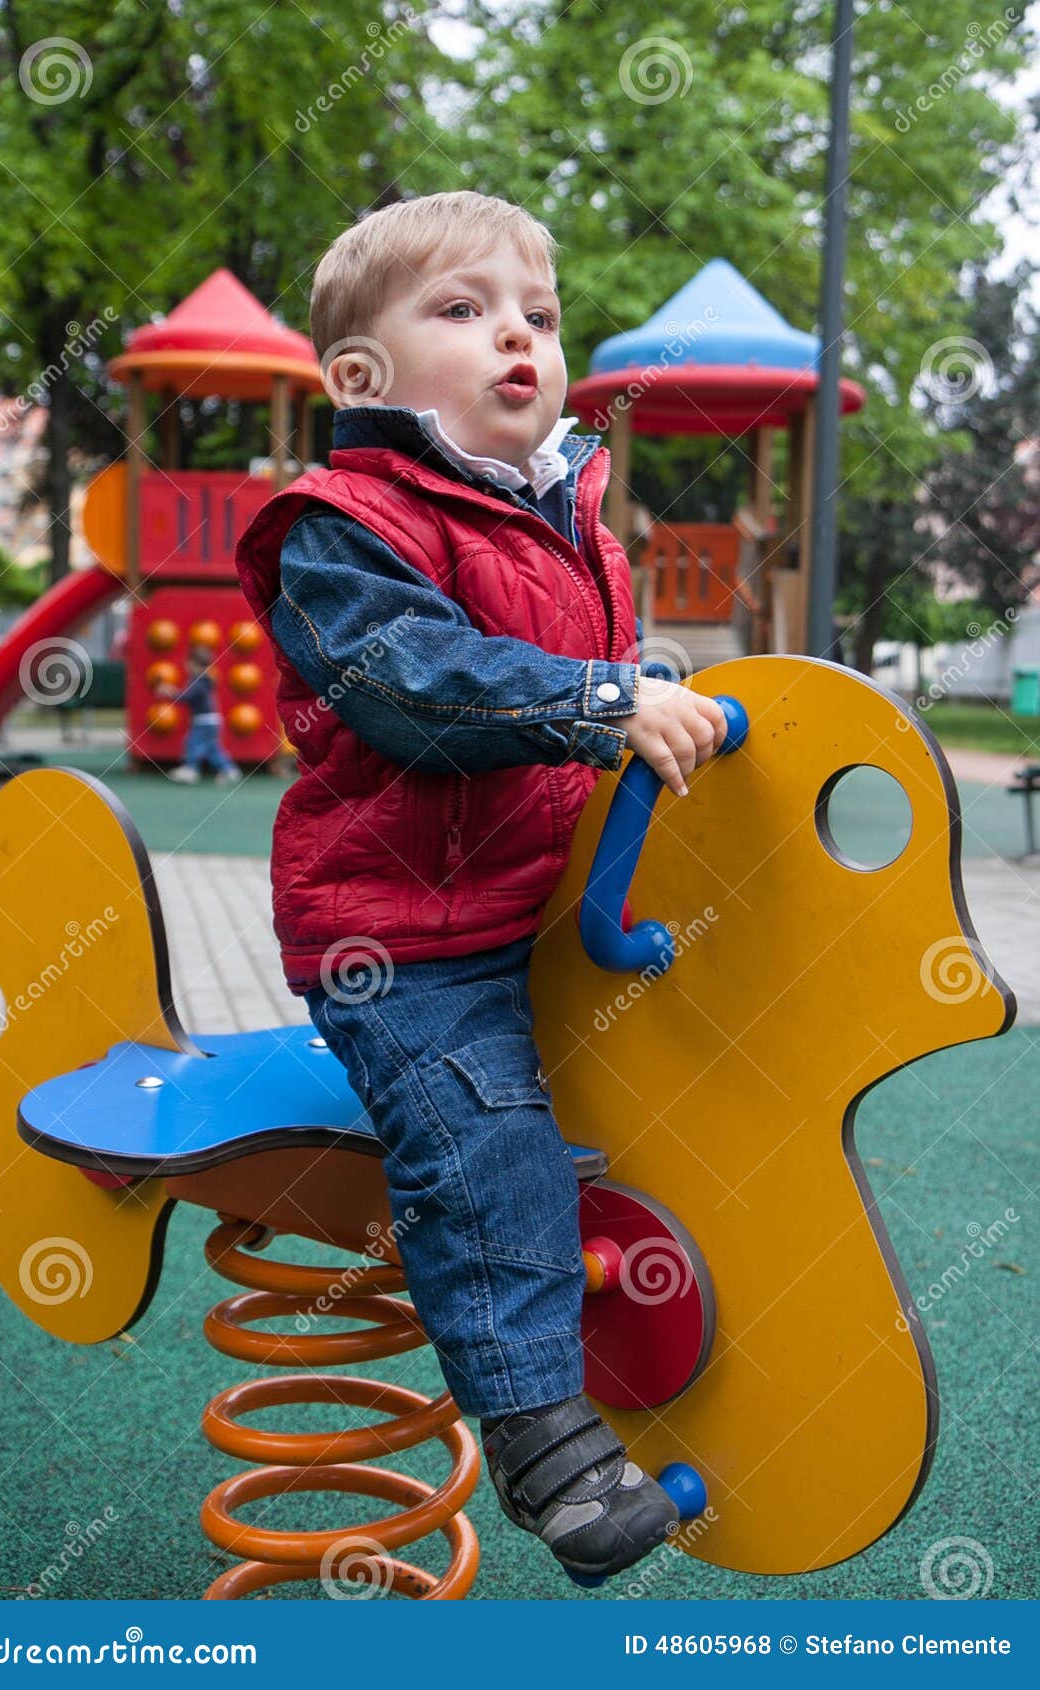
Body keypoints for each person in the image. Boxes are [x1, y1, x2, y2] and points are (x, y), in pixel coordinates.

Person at [234, 191, 726, 1583]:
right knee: (488, 1144)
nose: (515, 334)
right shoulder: (342, 525)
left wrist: (647, 688)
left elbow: (599, 678)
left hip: (538, 909)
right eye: (462, 311)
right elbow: (408, 684)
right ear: (357, 378)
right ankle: (539, 1441)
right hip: (403, 938)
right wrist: (594, 698)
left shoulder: (574, 521)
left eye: (537, 315)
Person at [154, 644, 240, 785]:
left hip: (204, 721)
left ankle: (191, 769)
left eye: (188, 663)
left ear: (193, 664)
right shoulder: (203, 680)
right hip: (210, 720)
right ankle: (228, 769)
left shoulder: (199, 681)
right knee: (213, 748)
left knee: (192, 743)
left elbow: (186, 697)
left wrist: (169, 692)